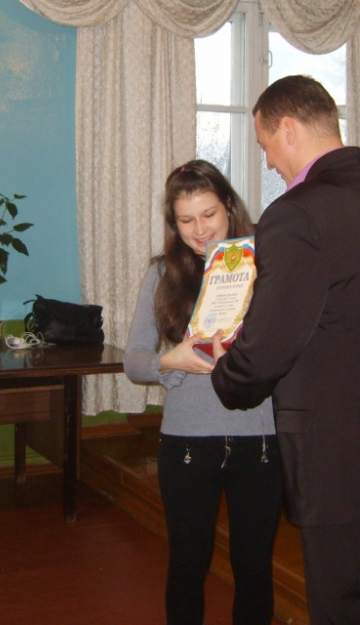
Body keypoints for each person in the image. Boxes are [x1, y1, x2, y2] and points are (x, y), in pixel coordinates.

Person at [210, 75, 360, 625]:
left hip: (343, 458)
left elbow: (271, 345)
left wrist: (227, 373)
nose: (268, 161)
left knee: (345, 611)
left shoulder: (297, 214)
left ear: (288, 129)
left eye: (265, 145)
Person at [124, 159, 283, 625]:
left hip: (260, 438)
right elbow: (134, 360)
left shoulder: (266, 265)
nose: (199, 230)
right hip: (188, 440)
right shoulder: (163, 273)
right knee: (187, 566)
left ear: (229, 206)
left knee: (254, 569)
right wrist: (171, 362)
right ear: (173, 223)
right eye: (186, 220)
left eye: (209, 214)